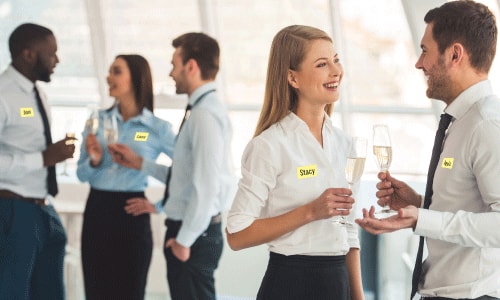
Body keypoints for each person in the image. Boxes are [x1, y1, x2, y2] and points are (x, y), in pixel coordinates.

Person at [355, 1, 500, 299]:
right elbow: (469, 207)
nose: (419, 63)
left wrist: (421, 218)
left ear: (455, 54)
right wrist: (418, 205)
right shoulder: (460, 121)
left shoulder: (486, 124)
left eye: (425, 50)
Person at [226, 25, 364, 300]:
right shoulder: (269, 145)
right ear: (293, 78)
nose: (336, 71)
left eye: (336, 60)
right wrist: (310, 211)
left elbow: (348, 229)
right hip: (290, 284)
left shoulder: (346, 144)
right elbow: (237, 234)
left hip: (338, 284)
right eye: (322, 64)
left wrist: (358, 296)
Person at [76, 54, 176, 300]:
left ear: (136, 79)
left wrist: (160, 206)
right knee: (96, 292)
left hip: (132, 214)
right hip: (97, 211)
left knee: (130, 293)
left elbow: (187, 174)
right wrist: (96, 161)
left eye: (116, 71)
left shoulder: (158, 128)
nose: (109, 77)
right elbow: (80, 173)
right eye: (109, 71)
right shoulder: (96, 121)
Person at [155, 32, 234, 300]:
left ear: (191, 66)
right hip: (195, 232)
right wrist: (140, 164)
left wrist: (184, 241)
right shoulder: (201, 110)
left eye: (173, 64)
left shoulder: (203, 115)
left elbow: (207, 187)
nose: (171, 73)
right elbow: (186, 178)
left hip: (193, 236)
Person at [0, 23, 75, 299]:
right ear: (28, 54)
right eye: (51, 53)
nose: (57, 60)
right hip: (11, 210)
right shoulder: (3, 93)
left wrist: (55, 154)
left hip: (42, 209)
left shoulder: (38, 93)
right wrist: (42, 158)